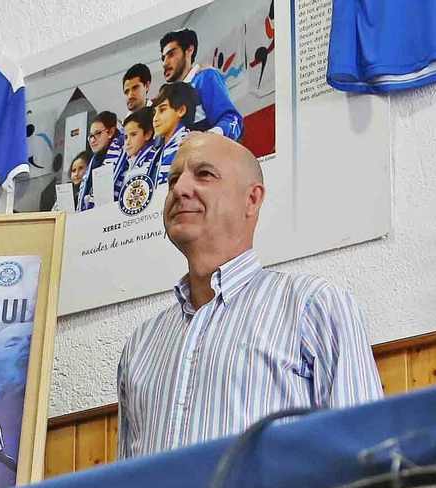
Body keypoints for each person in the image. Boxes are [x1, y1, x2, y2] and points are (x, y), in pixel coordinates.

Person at [116, 133, 382, 459]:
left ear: (252, 200)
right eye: (173, 179)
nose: (179, 190)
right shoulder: (140, 346)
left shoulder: (313, 307)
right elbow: (127, 486)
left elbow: (365, 454)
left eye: (204, 174)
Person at [159, 28, 244, 139]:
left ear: (189, 50)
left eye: (171, 54)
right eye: (163, 58)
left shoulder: (205, 77)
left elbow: (232, 119)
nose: (165, 63)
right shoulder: (169, 96)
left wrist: (207, 138)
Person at [149, 83, 197, 188]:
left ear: (181, 110)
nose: (155, 119)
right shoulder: (158, 153)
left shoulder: (191, 146)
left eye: (162, 110)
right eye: (154, 113)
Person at [78, 111, 123, 210]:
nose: (92, 140)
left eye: (97, 134)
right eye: (90, 136)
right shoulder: (94, 161)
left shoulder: (123, 154)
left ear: (111, 131)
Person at [114, 107, 158, 203]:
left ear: (148, 134)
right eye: (126, 137)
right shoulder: (126, 164)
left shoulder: (155, 160)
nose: (128, 142)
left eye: (133, 135)